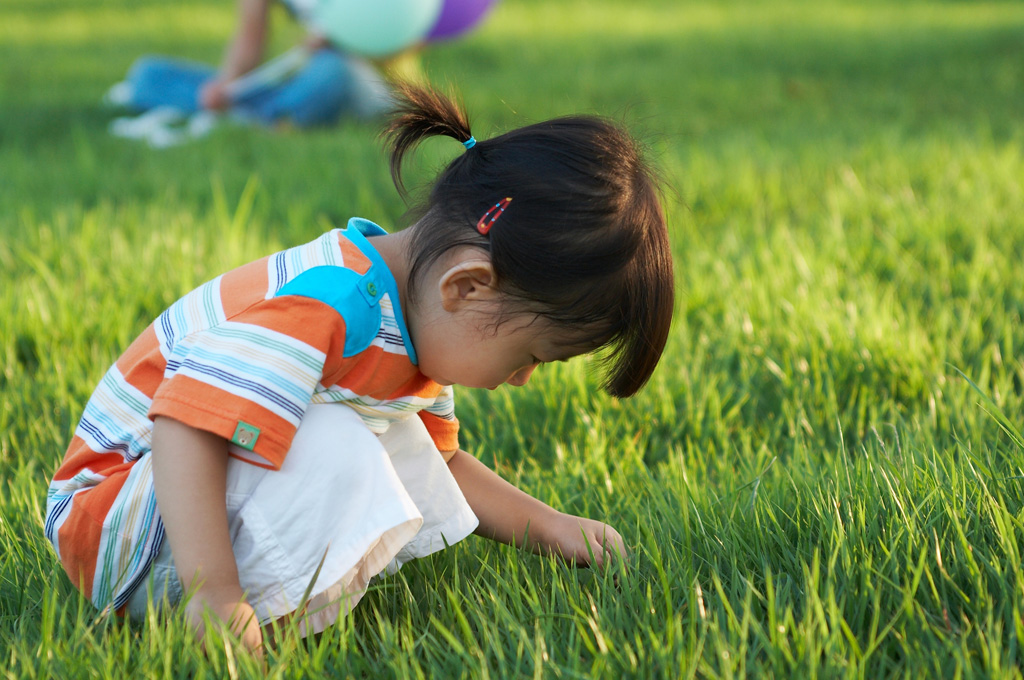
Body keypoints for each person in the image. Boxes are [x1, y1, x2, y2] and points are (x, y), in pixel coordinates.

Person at [44, 82, 675, 652]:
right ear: (467, 287)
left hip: (159, 510)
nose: (521, 379)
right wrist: (215, 592)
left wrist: (552, 528)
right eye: (530, 356)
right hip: (117, 524)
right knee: (339, 438)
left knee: (388, 436)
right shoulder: (332, 303)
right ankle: (228, 621)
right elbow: (186, 424)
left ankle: (269, 614)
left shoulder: (415, 326)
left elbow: (440, 464)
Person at [107, 0, 397, 128]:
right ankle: (262, 115)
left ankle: (254, 115)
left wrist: (346, 38)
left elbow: (399, 42)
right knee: (148, 75)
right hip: (297, 81)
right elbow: (250, 40)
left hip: (356, 79)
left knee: (331, 72)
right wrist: (227, 86)